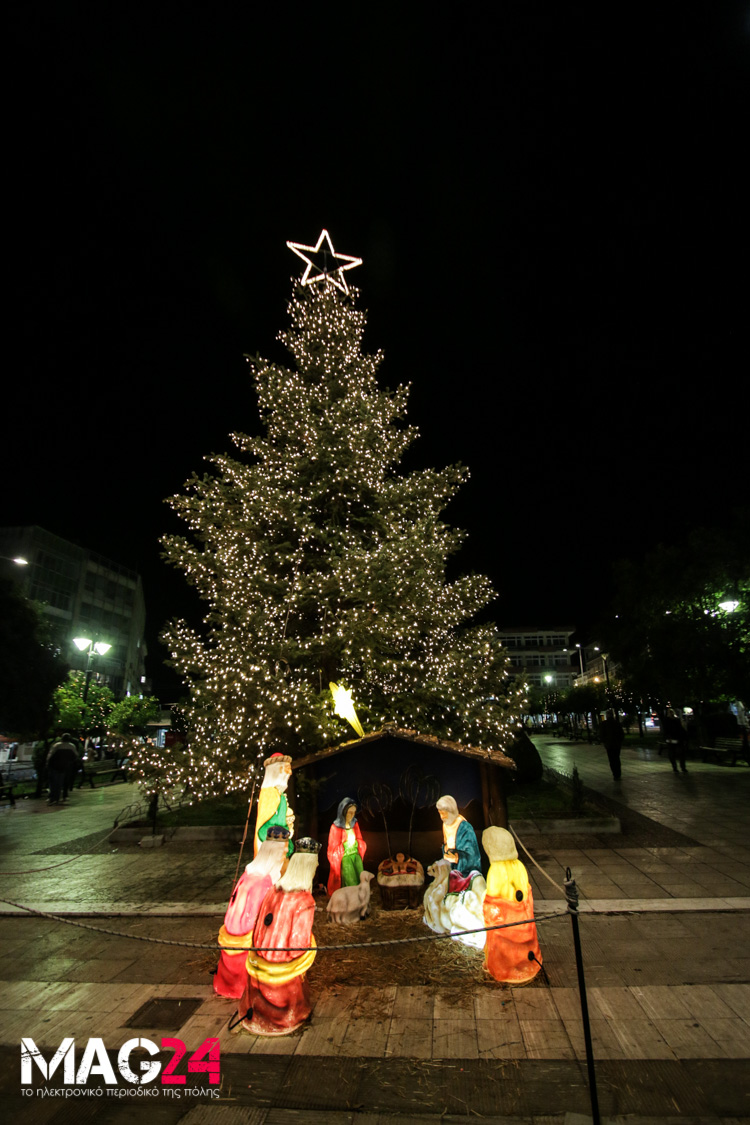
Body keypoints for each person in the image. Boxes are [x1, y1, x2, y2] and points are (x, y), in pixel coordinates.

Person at [241, 837, 320, 1036]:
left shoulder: (273, 891)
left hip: (259, 966)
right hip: (281, 976)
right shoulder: (304, 901)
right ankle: (286, 1016)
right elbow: (298, 946)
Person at [214, 825, 290, 999]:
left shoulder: (248, 874)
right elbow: (259, 920)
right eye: (283, 853)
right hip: (247, 941)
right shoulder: (263, 882)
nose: (284, 857)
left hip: (232, 935)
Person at [481, 826, 542, 984]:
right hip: (523, 925)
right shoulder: (520, 866)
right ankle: (527, 967)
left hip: (505, 929)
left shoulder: (495, 871)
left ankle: (503, 970)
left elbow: (493, 905)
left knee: (499, 943)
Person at [254, 752, 295, 856]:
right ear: (278, 769)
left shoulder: (280, 794)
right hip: (273, 852)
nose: (290, 772)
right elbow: (262, 830)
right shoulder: (270, 794)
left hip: (282, 849)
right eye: (287, 768)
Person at [435, 795, 481, 883]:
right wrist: (445, 848)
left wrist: (457, 856)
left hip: (464, 873)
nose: (441, 817)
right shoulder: (445, 825)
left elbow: (472, 855)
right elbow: (446, 843)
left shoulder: (465, 827)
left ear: (450, 811)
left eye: (443, 813)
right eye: (439, 813)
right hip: (450, 868)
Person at [326, 797, 366, 895]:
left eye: (354, 812)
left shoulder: (355, 824)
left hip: (356, 858)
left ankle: (360, 901)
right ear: (343, 812)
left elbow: (360, 840)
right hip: (346, 859)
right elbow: (333, 849)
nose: (352, 815)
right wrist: (345, 846)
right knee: (350, 881)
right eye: (350, 812)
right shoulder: (336, 827)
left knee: (360, 880)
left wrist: (358, 844)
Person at [45, 733, 79, 805]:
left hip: (54, 766)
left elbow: (50, 755)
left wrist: (47, 764)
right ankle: (57, 798)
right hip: (64, 766)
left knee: (53, 782)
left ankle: (52, 797)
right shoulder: (72, 746)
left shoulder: (57, 745)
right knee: (59, 782)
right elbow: (76, 756)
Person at [599, 709, 624, 780]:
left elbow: (602, 735)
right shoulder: (617, 723)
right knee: (617, 759)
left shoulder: (604, 724)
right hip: (616, 744)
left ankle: (615, 774)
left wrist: (604, 742)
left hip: (609, 745)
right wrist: (620, 741)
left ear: (607, 715)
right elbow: (621, 734)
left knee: (612, 760)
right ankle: (618, 773)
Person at [663, 708, 689, 773]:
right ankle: (678, 767)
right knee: (674, 753)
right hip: (673, 739)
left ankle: (680, 767)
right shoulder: (669, 720)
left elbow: (680, 729)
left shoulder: (674, 720)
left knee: (678, 753)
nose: (671, 713)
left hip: (676, 738)